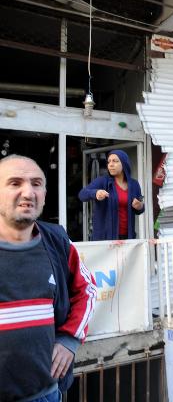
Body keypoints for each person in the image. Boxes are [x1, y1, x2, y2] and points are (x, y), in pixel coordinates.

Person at [0, 155, 97, 401]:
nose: (28, 192)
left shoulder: (57, 242)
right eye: (14, 183)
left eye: (36, 183)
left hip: (46, 394)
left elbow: (87, 290)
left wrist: (69, 339)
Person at [78, 150, 144, 240]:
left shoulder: (134, 184)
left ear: (124, 163)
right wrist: (95, 193)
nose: (111, 164)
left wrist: (140, 206)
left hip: (127, 237)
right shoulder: (102, 181)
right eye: (109, 162)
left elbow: (139, 209)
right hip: (105, 238)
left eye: (115, 161)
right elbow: (82, 194)